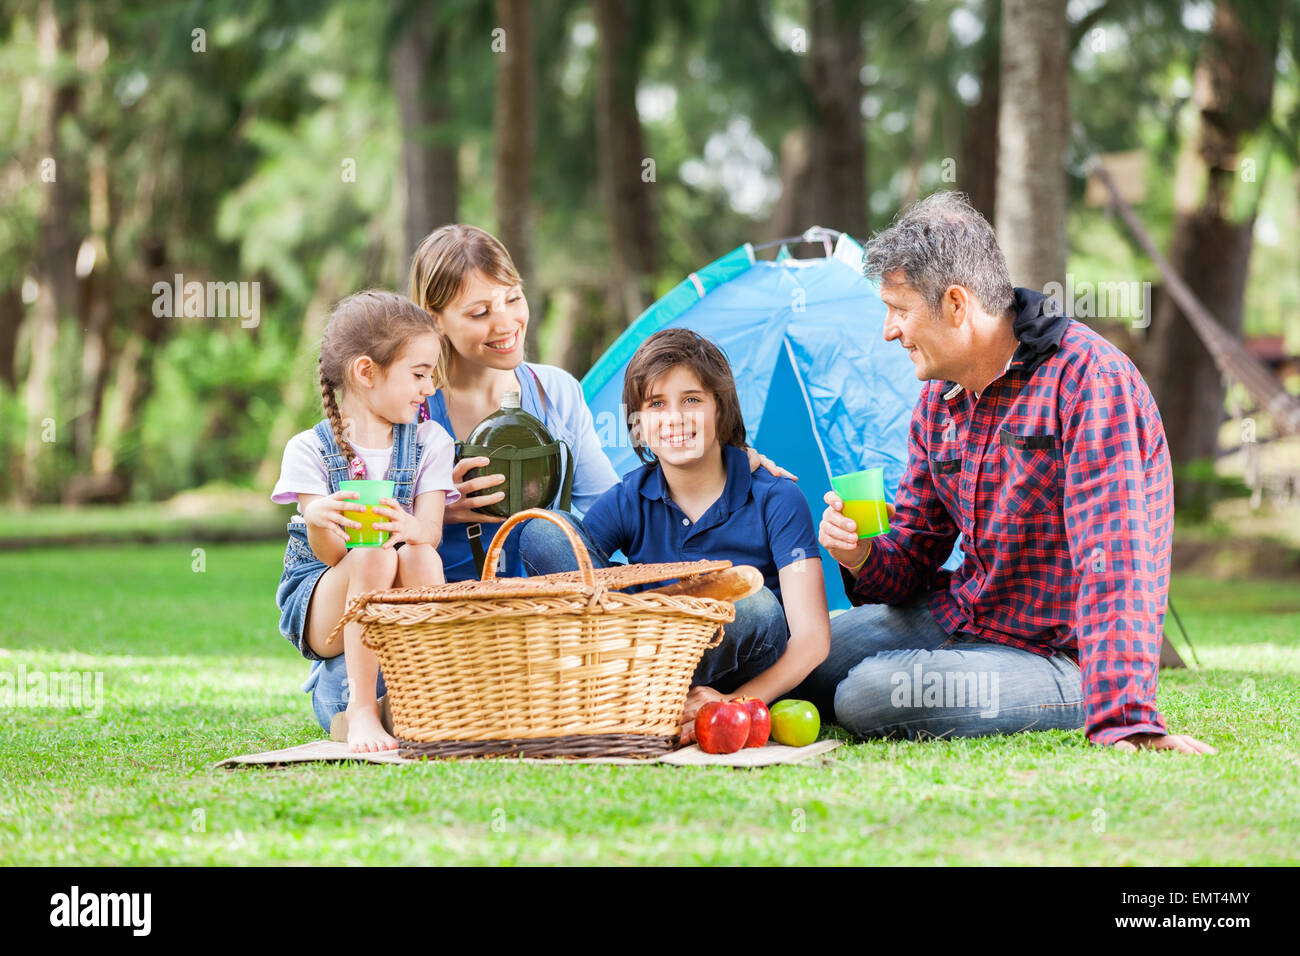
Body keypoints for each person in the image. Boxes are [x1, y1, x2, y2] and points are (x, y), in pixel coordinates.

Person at [798, 191, 1215, 754]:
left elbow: (1114, 556)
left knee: (867, 695)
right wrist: (860, 556)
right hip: (966, 617)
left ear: (955, 304)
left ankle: (1082, 702)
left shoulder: (1088, 380)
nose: (889, 332)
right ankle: (956, 674)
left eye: (899, 311)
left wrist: (1126, 721)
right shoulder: (939, 401)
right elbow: (912, 556)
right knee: (803, 654)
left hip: (1061, 655)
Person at [407, 223, 797, 581]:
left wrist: (725, 460)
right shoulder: (411, 408)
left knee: (549, 535)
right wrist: (433, 514)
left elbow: (611, 505)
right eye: (480, 313)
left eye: (513, 299)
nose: (506, 323)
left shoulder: (554, 391)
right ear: (435, 319)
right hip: (450, 617)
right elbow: (364, 539)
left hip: (552, 604)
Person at [522, 329, 830, 741]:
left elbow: (812, 640)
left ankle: (634, 696)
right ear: (639, 424)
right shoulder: (630, 497)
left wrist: (732, 701)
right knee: (543, 533)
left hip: (742, 662)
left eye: (692, 400)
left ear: (720, 409)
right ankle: (632, 691)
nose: (675, 418)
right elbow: (580, 578)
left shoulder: (777, 496)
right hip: (645, 653)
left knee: (750, 602)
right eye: (656, 404)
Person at [273, 290, 458, 752]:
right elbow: (334, 555)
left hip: (390, 600)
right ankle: (359, 708)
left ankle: (418, 699)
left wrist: (409, 527)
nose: (429, 388)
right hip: (324, 598)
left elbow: (430, 533)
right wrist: (317, 519)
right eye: (418, 374)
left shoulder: (431, 442)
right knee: (371, 557)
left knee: (417, 555)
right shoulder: (309, 449)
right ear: (365, 372)